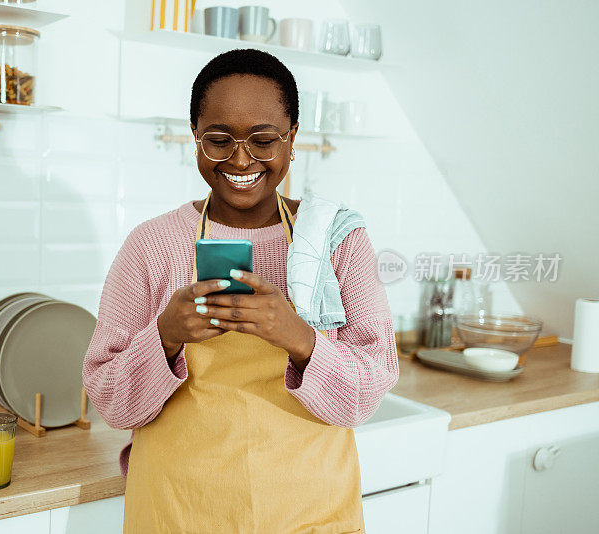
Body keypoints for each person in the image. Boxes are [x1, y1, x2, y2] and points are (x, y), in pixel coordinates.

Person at [82, 48, 399, 533]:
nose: (241, 158)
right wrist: (165, 336)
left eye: (263, 139)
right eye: (218, 140)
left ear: (292, 138)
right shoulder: (153, 245)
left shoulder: (336, 241)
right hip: (180, 511)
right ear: (195, 138)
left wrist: (299, 337)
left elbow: (366, 395)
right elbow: (110, 402)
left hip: (309, 513)